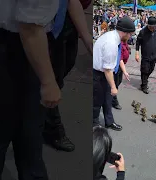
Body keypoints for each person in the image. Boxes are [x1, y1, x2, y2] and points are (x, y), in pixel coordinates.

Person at [0, 0, 61, 179]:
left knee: (1, 136)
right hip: (14, 46)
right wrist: (48, 82)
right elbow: (30, 29)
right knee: (5, 137)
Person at [43, 0, 92, 152]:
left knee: (66, 65)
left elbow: (72, 1)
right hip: (44, 24)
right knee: (51, 80)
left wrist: (87, 38)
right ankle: (53, 129)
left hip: (66, 23)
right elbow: (29, 27)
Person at [93, 16, 135, 131]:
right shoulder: (111, 43)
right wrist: (113, 87)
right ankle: (95, 126)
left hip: (105, 74)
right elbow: (107, 69)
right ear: (125, 32)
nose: (130, 36)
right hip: (99, 75)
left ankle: (109, 122)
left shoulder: (114, 37)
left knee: (107, 100)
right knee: (96, 102)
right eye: (130, 34)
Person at [136, 17, 156, 94]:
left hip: (154, 56)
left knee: (151, 69)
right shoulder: (143, 32)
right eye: (150, 27)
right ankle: (144, 86)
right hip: (145, 55)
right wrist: (137, 53)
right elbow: (138, 42)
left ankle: (144, 80)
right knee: (144, 70)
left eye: (153, 27)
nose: (151, 28)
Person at [112, 39, 131, 110]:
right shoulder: (119, 43)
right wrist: (125, 72)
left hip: (120, 67)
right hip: (116, 66)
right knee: (114, 84)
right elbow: (120, 59)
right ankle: (113, 101)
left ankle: (111, 97)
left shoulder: (125, 42)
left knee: (118, 82)